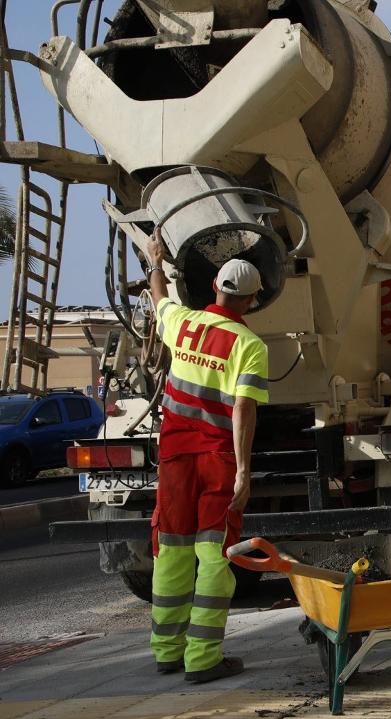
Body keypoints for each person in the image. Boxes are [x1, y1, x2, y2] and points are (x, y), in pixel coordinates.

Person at [143, 229, 269, 683]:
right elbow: (243, 410)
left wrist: (156, 259)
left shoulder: (184, 323)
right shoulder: (250, 346)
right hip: (218, 458)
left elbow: (159, 298)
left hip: (175, 458)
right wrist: (243, 473)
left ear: (215, 286)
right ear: (253, 300)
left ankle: (167, 651)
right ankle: (202, 660)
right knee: (215, 554)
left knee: (171, 552)